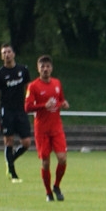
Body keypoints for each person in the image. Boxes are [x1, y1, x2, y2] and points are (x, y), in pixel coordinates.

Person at [24, 55, 69, 201]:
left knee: (62, 158)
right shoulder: (33, 86)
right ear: (38, 69)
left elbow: (60, 99)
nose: (45, 69)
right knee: (46, 162)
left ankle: (56, 185)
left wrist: (63, 104)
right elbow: (27, 107)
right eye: (42, 67)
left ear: (51, 68)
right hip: (42, 129)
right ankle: (48, 192)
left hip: (56, 127)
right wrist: (43, 106)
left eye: (48, 66)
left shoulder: (57, 83)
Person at [0, 43, 32, 183]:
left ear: (14, 54)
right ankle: (13, 173)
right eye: (4, 53)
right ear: (1, 56)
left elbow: (29, 89)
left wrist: (32, 104)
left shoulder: (23, 70)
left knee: (26, 142)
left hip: (21, 110)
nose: (7, 55)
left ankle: (10, 161)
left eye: (9, 52)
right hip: (7, 111)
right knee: (9, 141)